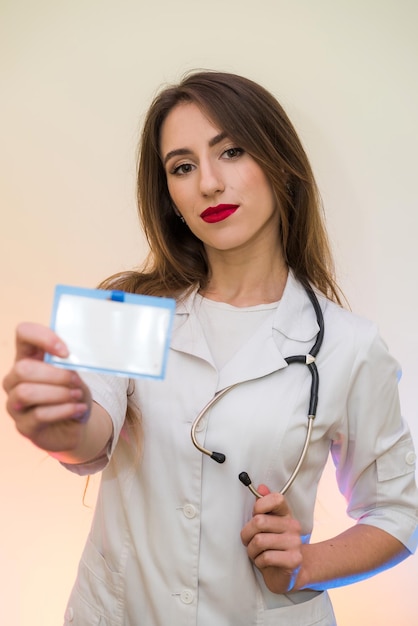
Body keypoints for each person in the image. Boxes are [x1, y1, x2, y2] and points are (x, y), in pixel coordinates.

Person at [3, 70, 418, 626]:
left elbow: (398, 510)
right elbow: (90, 435)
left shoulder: (349, 344)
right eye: (183, 166)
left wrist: (308, 565)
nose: (209, 184)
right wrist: (60, 427)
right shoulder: (126, 307)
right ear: (170, 196)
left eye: (232, 152)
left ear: (280, 164)